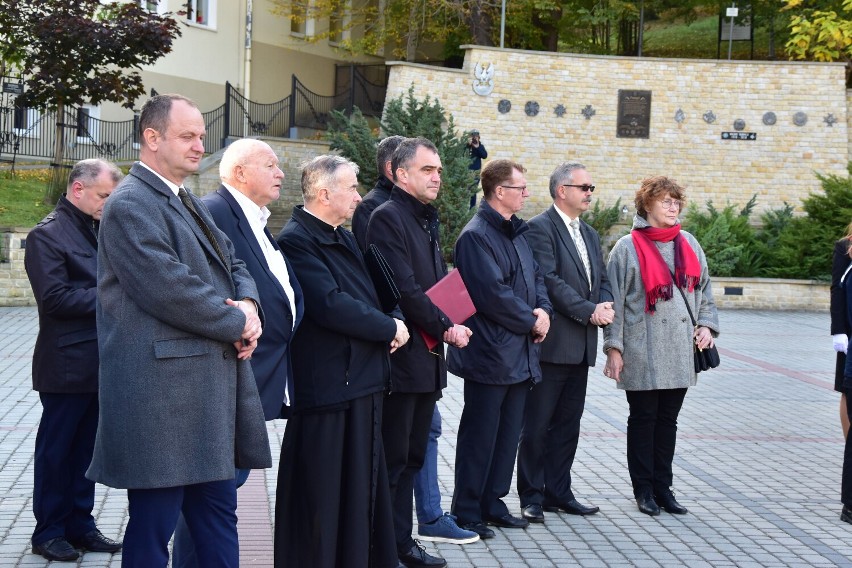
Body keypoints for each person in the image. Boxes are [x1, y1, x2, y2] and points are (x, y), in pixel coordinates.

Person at [87, 94, 271, 567]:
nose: (198, 145)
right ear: (152, 138)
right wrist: (237, 322)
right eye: (187, 136)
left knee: (216, 519)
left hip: (203, 397)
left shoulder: (183, 197)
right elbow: (168, 287)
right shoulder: (130, 204)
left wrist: (249, 305)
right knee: (153, 528)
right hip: (162, 401)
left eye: (201, 137)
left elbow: (233, 261)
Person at [170, 138, 304, 567]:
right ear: (240, 172)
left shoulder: (256, 219)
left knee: (219, 489)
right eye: (270, 165)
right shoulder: (215, 212)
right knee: (212, 493)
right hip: (227, 371)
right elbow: (203, 289)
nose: (281, 173)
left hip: (256, 371)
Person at [275, 154, 409, 568]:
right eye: (351, 188)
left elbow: (376, 292)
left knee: (359, 490)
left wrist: (397, 318)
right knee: (325, 495)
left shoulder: (343, 235)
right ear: (323, 192)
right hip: (330, 389)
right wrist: (388, 330)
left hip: (361, 381)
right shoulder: (297, 240)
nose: (358, 196)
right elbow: (330, 305)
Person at [367, 137, 477, 567]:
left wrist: (451, 320)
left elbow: (434, 284)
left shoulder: (423, 219)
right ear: (400, 173)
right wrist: (447, 327)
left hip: (428, 360)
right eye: (428, 170)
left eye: (439, 171)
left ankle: (401, 544)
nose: (437, 177)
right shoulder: (387, 218)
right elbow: (406, 290)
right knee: (394, 461)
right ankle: (385, 549)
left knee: (412, 458)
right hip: (403, 358)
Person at [24, 159, 124, 562]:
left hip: (101, 360)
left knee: (86, 452)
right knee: (57, 452)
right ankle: (48, 531)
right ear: (78, 189)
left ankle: (80, 526)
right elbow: (54, 299)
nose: (108, 204)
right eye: (103, 196)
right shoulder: (46, 235)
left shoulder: (98, 228)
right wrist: (115, 293)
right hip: (65, 366)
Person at [448, 158, 552, 539]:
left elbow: (536, 278)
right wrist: (531, 320)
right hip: (491, 354)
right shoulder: (476, 236)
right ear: (499, 191)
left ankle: (493, 502)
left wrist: (544, 311)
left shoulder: (515, 233)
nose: (526, 193)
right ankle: (467, 509)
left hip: (519, 354)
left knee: (507, 435)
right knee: (480, 436)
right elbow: (492, 295)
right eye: (520, 188)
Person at [603, 175, 719, 517]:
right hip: (642, 349)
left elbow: (705, 292)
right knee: (643, 418)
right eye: (666, 201)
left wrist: (708, 326)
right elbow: (616, 305)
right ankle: (643, 489)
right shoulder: (626, 248)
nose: (673, 207)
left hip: (680, 348)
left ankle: (663, 488)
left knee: (668, 420)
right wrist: (614, 348)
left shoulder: (690, 243)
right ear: (647, 205)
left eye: (676, 201)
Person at [517, 161, 613, 523]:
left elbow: (600, 276)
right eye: (584, 187)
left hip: (582, 345)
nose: (590, 193)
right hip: (553, 343)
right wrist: (590, 310)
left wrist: (603, 303)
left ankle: (559, 492)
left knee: (568, 425)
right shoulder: (539, 229)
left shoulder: (588, 232)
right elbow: (550, 282)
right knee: (538, 425)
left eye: (591, 188)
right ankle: (532, 495)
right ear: (562, 190)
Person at [352, 134, 405, 253]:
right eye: (409, 163)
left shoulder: (413, 203)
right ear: (391, 168)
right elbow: (379, 262)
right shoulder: (370, 207)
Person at [830, 225, 852, 439]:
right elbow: (837, 288)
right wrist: (838, 330)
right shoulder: (845, 246)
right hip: (849, 333)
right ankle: (850, 446)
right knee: (847, 389)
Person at [467, 129, 487, 209]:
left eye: (476, 137)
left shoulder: (480, 146)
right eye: (473, 137)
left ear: (479, 138)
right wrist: (468, 145)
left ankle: (472, 209)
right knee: (463, 191)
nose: (475, 139)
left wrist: (477, 147)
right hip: (465, 172)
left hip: (475, 173)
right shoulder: (467, 146)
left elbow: (484, 155)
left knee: (473, 191)